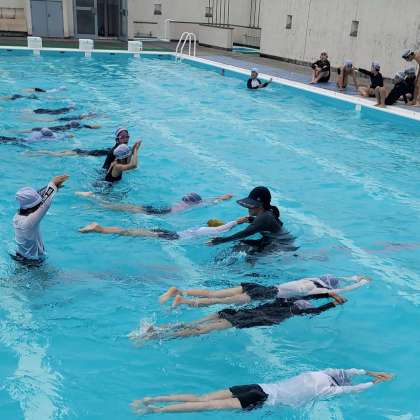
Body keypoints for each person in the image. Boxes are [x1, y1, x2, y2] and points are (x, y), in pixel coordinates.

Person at [131, 369, 392, 414]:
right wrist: (374, 384)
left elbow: (346, 371)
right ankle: (155, 411)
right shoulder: (326, 390)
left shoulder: (318, 373)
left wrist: (370, 373)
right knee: (206, 407)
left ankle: (153, 398)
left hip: (257, 386)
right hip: (263, 398)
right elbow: (352, 390)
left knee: (202, 398)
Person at [130, 293, 345, 341]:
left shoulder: (282, 301)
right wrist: (333, 304)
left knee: (194, 323)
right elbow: (315, 311)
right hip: (241, 320)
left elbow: (303, 295)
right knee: (199, 331)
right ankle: (157, 336)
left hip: (236, 312)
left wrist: (326, 294)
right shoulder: (291, 312)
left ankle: (158, 328)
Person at [159, 274, 370, 308]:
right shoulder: (313, 290)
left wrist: (354, 277)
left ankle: (180, 291)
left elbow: (337, 280)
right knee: (220, 302)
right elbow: (342, 289)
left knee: (214, 294)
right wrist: (359, 284)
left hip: (258, 286)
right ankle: (183, 301)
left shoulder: (309, 280)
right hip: (264, 294)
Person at [208, 186, 296, 253]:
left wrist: (221, 240)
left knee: (244, 249)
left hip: (280, 245)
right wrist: (251, 219)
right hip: (274, 241)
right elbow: (270, 224)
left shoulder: (264, 217)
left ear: (261, 205)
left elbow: (244, 233)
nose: (248, 208)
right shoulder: (268, 213)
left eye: (251, 205)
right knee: (242, 246)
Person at [13, 175, 69, 264]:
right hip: (32, 263)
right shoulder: (30, 221)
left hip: (20, 256)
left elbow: (38, 196)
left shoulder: (17, 216)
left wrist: (52, 187)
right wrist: (53, 183)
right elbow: (45, 204)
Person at [79, 217, 249, 239]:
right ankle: (100, 229)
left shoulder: (201, 228)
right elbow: (222, 229)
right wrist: (238, 222)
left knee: (131, 231)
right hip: (173, 237)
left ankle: (102, 228)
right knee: (132, 233)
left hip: (172, 233)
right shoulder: (207, 231)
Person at [74, 192, 233, 214]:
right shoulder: (196, 204)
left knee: (127, 207)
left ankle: (95, 200)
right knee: (125, 209)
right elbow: (210, 201)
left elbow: (209, 200)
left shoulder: (183, 202)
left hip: (161, 207)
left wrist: (223, 197)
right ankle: (95, 203)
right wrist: (223, 198)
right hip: (163, 211)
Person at [24, 127, 130, 159]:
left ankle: (38, 152)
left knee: (57, 154)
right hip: (83, 153)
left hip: (84, 152)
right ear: (117, 139)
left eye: (127, 137)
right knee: (57, 154)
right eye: (123, 137)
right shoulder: (116, 151)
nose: (126, 139)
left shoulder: (119, 149)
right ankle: (36, 153)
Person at [0, 128, 73, 144]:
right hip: (25, 141)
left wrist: (67, 136)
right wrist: (67, 136)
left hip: (24, 140)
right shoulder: (53, 137)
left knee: (9, 139)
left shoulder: (36, 133)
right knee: (9, 140)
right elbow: (61, 137)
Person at [31, 120, 100, 133]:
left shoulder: (68, 124)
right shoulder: (81, 126)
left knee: (42, 129)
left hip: (60, 127)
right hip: (62, 130)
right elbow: (93, 127)